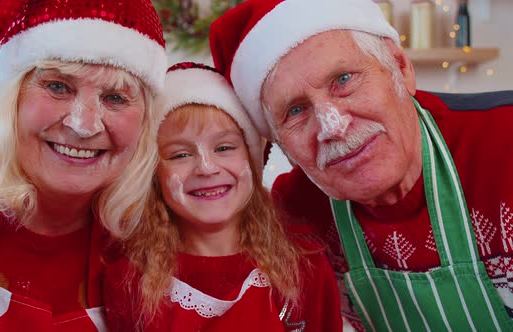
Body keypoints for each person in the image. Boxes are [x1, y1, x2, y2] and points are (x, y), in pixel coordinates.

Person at [209, 0, 513, 331]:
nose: (332, 126)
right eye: (295, 111)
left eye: (343, 79)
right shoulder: (293, 216)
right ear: (281, 144)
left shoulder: (504, 143)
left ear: (400, 68)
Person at [0, 0, 167, 330]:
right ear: (11, 97)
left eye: (115, 98)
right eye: (57, 86)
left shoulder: (157, 225)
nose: (85, 124)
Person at [103, 62, 342, 331]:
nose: (207, 167)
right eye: (180, 154)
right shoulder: (129, 280)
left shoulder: (304, 268)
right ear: (154, 174)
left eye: (224, 147)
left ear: (251, 160)